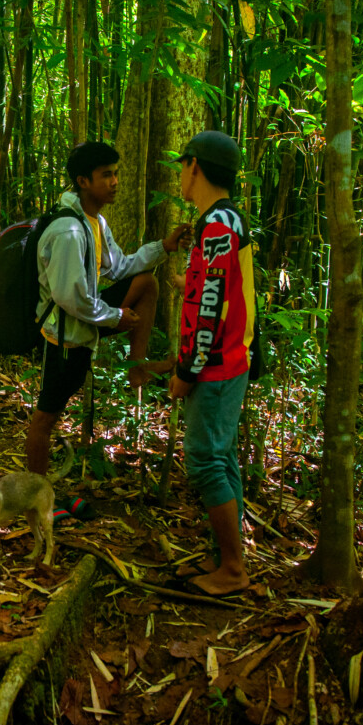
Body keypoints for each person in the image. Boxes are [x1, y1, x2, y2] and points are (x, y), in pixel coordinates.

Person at [24, 141, 190, 475]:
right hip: (63, 339)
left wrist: (164, 247)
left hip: (82, 324)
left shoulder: (93, 222)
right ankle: (35, 495)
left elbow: (119, 267)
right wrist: (115, 317)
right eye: (106, 175)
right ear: (83, 181)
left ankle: (137, 369)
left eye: (116, 174)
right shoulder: (69, 230)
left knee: (147, 283)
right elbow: (69, 296)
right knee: (45, 419)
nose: (115, 182)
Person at [170, 130, 254, 597]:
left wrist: (186, 370)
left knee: (205, 461)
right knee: (221, 457)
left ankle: (234, 568)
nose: (181, 174)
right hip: (228, 359)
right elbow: (216, 288)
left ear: (195, 166)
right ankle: (225, 556)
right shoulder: (222, 220)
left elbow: (211, 306)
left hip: (217, 364)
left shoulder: (218, 223)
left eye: (183, 164)